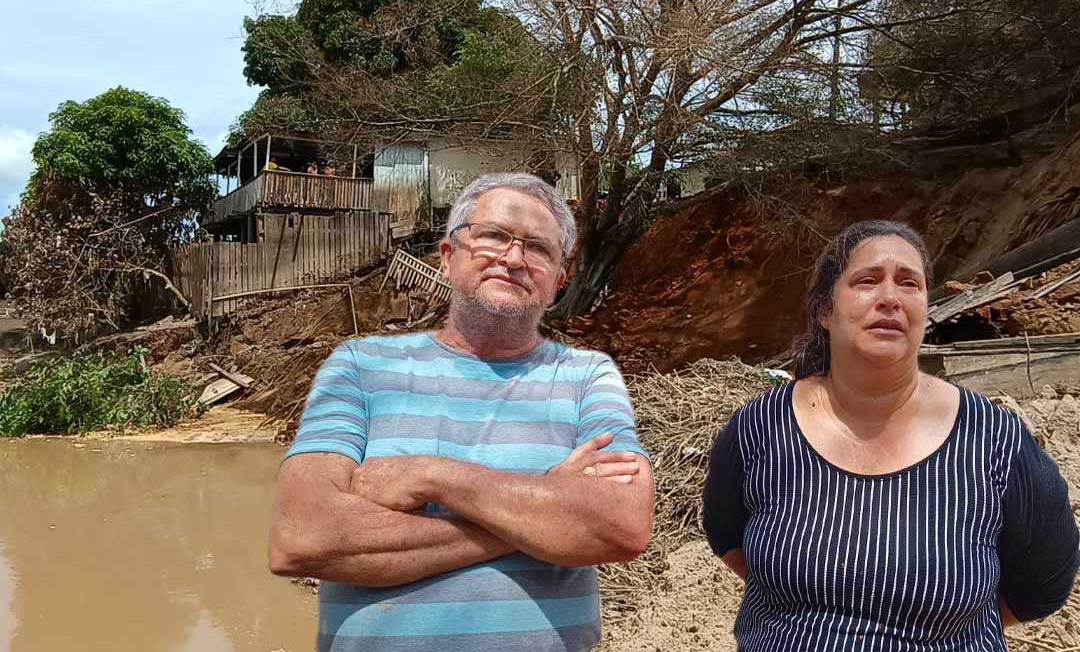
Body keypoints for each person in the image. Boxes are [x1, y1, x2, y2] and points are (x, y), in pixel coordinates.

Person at [269, 172, 654, 652]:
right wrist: (545, 505)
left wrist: (430, 476)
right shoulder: (360, 366)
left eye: (538, 248)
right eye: (494, 235)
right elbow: (301, 536)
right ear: (449, 258)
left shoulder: (586, 376)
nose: (513, 258)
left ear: (557, 281)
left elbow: (622, 525)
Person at [702, 220, 1078, 651]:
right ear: (826, 310)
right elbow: (726, 533)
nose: (889, 299)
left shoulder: (993, 440)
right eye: (867, 281)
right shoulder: (761, 427)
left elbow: (1043, 581)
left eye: (908, 284)